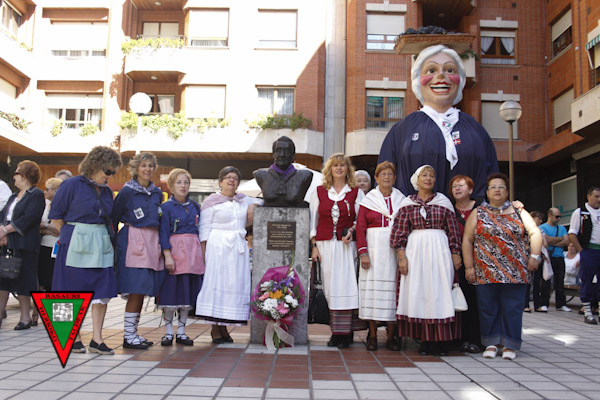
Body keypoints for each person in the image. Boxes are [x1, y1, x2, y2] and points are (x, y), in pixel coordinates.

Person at [378, 44, 498, 199]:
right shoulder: (402, 130)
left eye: (450, 70)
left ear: (460, 80)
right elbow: (385, 179)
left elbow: (491, 178)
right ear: (417, 79)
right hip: (414, 212)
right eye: (431, 70)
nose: (441, 75)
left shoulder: (475, 130)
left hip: (468, 213)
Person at [49, 146, 122, 354]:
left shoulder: (106, 191)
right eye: (107, 171)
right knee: (68, 289)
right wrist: (69, 236)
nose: (110, 176)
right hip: (76, 240)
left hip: (100, 241)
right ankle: (71, 336)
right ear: (95, 166)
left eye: (113, 172)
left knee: (103, 289)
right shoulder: (71, 185)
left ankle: (97, 339)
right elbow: (56, 215)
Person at [463, 173, 542, 360]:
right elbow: (467, 239)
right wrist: (469, 266)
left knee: (512, 308)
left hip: (515, 270)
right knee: (487, 307)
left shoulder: (518, 211)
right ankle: (491, 343)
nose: (497, 190)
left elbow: (534, 232)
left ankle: (510, 344)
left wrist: (535, 256)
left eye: (501, 187)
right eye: (493, 187)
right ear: (487, 192)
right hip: (485, 269)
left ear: (507, 191)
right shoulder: (478, 212)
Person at [391, 165, 461, 356]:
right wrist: (402, 257)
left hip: (440, 251)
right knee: (419, 292)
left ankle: (440, 341)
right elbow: (399, 232)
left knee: (439, 292)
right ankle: (424, 341)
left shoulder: (443, 202)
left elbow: (453, 230)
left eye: (431, 175)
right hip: (416, 253)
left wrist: (455, 252)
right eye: (424, 175)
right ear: (417, 179)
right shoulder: (407, 203)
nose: (428, 178)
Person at [196, 166, 262, 343]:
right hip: (217, 248)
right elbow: (204, 230)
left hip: (237, 248)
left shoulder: (242, 200)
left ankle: (224, 327)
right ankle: (215, 329)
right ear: (220, 182)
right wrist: (204, 255)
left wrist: (253, 206)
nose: (231, 180)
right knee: (217, 284)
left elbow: (264, 201)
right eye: (228, 177)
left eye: (235, 178)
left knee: (233, 285)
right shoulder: (211, 201)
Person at [310, 153, 365, 348]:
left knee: (348, 287)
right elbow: (313, 220)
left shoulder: (356, 192)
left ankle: (347, 332)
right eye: (335, 165)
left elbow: (361, 219)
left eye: (343, 165)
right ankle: (336, 332)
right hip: (325, 245)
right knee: (330, 287)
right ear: (330, 169)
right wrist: (314, 246)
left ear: (348, 169)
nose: (339, 168)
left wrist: (351, 230)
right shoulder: (319, 191)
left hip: (347, 246)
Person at [113, 152, 165, 349]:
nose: (147, 169)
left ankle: (133, 333)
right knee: (135, 289)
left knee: (142, 291)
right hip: (133, 240)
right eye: (144, 165)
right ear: (135, 168)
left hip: (152, 241)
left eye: (151, 165)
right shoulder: (127, 192)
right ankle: (128, 336)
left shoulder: (157, 192)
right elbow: (114, 218)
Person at [356, 161, 405, 351]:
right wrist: (363, 253)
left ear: (394, 178)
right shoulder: (368, 200)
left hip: (394, 252)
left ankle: (391, 336)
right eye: (382, 174)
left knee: (392, 292)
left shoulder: (402, 200)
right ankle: (373, 335)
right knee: (372, 293)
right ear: (376, 178)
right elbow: (360, 228)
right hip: (373, 251)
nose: (386, 177)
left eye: (390, 174)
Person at [157, 168, 203, 346]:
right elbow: (163, 232)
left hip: (192, 255)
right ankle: (169, 331)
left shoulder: (195, 206)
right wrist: (167, 255)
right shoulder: (166, 207)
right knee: (171, 293)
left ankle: (182, 331)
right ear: (171, 186)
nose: (183, 186)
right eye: (179, 182)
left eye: (186, 182)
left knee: (186, 293)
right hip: (175, 253)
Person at [0, 161, 45, 330]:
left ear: (24, 176)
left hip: (25, 244)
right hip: (8, 243)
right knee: (4, 278)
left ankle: (25, 317)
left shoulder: (36, 195)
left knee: (25, 280)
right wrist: (3, 232)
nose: (14, 176)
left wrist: (5, 230)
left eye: (17, 173)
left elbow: (28, 218)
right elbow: (3, 215)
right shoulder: (13, 196)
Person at [448, 174, 482, 353]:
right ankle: (459, 338)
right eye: (454, 186)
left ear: (470, 189)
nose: (457, 189)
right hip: (455, 259)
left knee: (476, 299)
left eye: (461, 185)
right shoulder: (448, 209)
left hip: (479, 259)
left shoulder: (481, 208)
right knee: (458, 298)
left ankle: (476, 339)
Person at [30, 177, 63, 326]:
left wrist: (45, 227)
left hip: (57, 248)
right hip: (43, 247)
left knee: (54, 282)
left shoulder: (63, 206)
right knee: (41, 282)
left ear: (56, 191)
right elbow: (36, 226)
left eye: (48, 189)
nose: (45, 191)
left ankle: (55, 316)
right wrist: (47, 228)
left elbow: (59, 230)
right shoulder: (44, 205)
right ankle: (36, 313)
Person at [568, 186, 600, 324]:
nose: (599, 199)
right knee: (587, 280)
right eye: (596, 196)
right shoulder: (580, 212)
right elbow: (572, 233)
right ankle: (587, 311)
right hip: (589, 249)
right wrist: (581, 251)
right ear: (589, 196)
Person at [254, 136, 313, 207]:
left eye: (286, 151)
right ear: (273, 154)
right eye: (278, 150)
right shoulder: (260, 175)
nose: (282, 154)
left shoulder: (305, 176)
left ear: (292, 155)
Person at [538, 207, 571, 312]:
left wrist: (552, 241)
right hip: (548, 257)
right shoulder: (542, 227)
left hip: (559, 257)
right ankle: (544, 303)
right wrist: (560, 239)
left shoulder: (562, 228)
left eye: (560, 216)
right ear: (550, 215)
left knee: (560, 281)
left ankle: (561, 304)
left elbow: (567, 241)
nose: (559, 219)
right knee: (546, 281)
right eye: (557, 216)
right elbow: (545, 240)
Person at [529, 211, 548, 313]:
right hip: (527, 258)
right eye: (539, 218)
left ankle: (537, 305)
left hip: (538, 259)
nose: (541, 221)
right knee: (527, 281)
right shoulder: (525, 228)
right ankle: (525, 305)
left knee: (537, 282)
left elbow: (545, 244)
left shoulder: (541, 230)